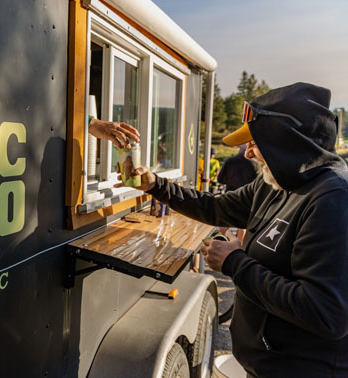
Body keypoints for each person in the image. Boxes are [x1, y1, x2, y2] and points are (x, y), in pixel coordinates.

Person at [124, 82, 348, 377]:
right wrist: (156, 185)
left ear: (286, 144)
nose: (248, 154)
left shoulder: (333, 200)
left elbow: (326, 313)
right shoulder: (275, 183)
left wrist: (234, 262)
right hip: (264, 365)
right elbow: (215, 207)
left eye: (256, 143)